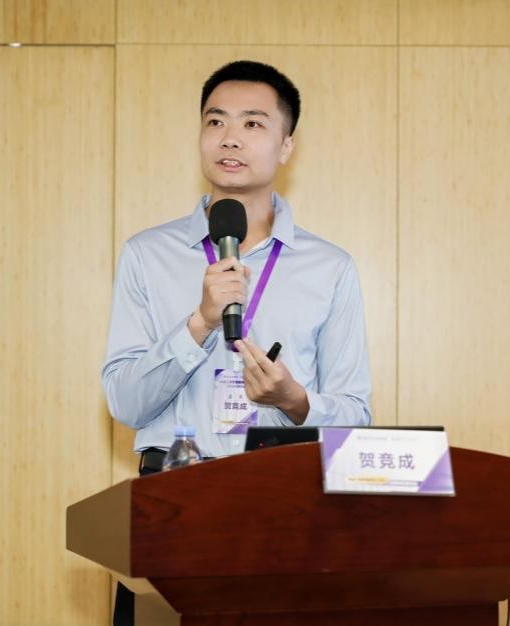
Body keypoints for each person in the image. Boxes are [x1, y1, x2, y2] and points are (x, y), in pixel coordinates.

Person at [102, 60, 372, 624]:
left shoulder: (330, 267)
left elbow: (355, 415)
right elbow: (125, 403)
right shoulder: (146, 255)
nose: (229, 137)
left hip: (284, 505)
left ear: (286, 145)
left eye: (252, 123)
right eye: (215, 121)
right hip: (172, 498)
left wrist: (294, 400)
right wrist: (199, 324)